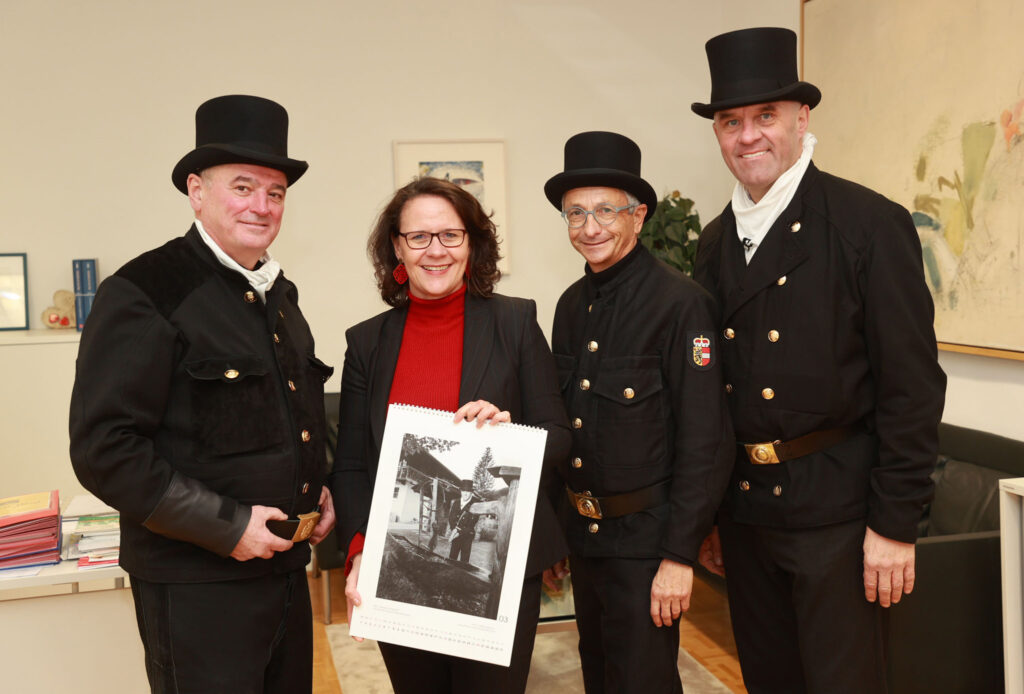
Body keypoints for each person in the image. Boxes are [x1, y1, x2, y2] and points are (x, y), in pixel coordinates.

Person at [690, 28, 947, 694]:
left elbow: (911, 387)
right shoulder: (714, 243)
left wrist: (895, 525)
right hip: (747, 519)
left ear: (801, 119)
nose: (748, 136)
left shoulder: (867, 223)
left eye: (765, 116)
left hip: (840, 519)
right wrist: (714, 516)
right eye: (731, 121)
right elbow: (713, 397)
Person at [69, 94, 336, 694]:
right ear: (196, 190)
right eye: (243, 187)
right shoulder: (146, 291)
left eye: (275, 192)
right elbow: (105, 449)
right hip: (197, 590)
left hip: (287, 575)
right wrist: (226, 526)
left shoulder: (281, 297)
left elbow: (280, 421)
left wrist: (315, 484)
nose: (262, 206)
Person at [332, 176, 570, 694]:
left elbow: (560, 435)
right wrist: (358, 554)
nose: (435, 251)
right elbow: (351, 463)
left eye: (450, 236)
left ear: (472, 243)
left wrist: (513, 431)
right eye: (419, 237)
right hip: (395, 574)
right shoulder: (367, 343)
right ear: (397, 246)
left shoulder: (515, 321)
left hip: (501, 576)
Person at [544, 131, 734, 693]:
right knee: (599, 673)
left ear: (640, 216)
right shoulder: (571, 306)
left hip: (647, 546)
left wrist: (680, 555)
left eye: (606, 210)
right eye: (575, 213)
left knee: (644, 681)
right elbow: (565, 424)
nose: (589, 227)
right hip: (587, 536)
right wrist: (559, 529)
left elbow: (706, 438)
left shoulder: (682, 304)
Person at [447, 479, 482, 562]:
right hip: (455, 534)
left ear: (471, 493)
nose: (465, 494)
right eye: (463, 491)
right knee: (452, 558)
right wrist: (453, 529)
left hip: (466, 536)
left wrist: (458, 531)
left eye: (468, 491)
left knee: (464, 561)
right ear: (461, 491)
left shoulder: (475, 504)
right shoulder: (456, 502)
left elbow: (472, 523)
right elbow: (451, 518)